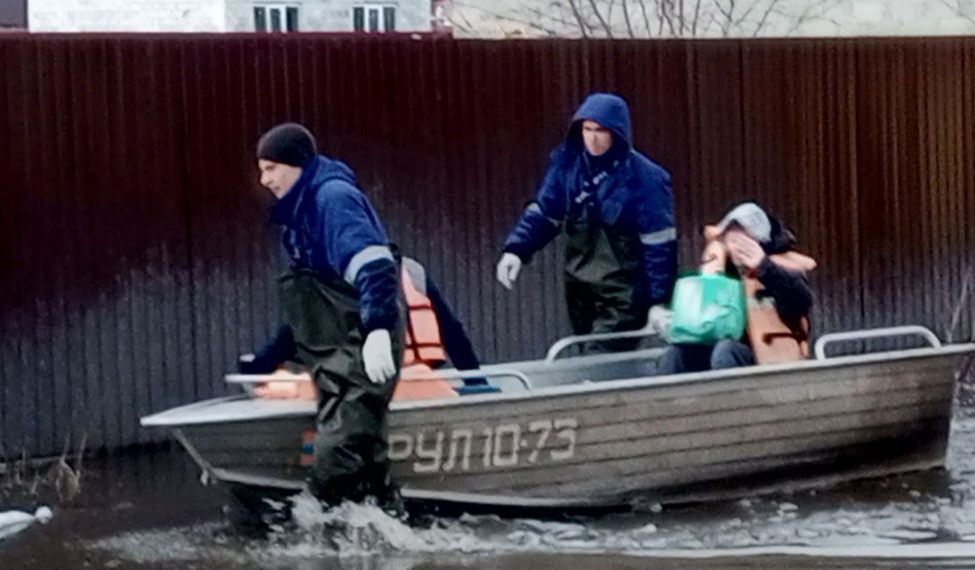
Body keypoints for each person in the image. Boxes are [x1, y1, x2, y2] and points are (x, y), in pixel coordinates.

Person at [251, 122, 402, 508]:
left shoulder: (332, 199)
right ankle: (386, 530)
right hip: (332, 358)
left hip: (358, 344)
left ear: (295, 164)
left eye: (271, 168)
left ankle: (318, 537)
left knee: (340, 450)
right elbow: (309, 310)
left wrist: (379, 330)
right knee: (364, 458)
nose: (263, 179)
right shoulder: (297, 218)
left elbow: (374, 266)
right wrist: (266, 361)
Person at [495, 93, 677, 354]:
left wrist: (659, 301)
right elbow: (545, 211)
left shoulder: (645, 177)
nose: (592, 138)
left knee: (598, 358)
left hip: (625, 294)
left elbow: (660, 244)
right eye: (587, 129)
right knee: (587, 358)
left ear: (617, 133)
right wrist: (516, 250)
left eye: (601, 131)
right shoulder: (567, 166)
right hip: (580, 288)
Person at [240, 255, 496, 399]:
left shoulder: (331, 278)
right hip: (425, 386)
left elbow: (291, 336)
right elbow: (452, 332)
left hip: (370, 396)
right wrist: (476, 380)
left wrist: (256, 368)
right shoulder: (410, 271)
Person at [656, 202, 816, 374]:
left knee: (726, 351)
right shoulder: (719, 269)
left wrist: (764, 267)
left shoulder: (783, 267)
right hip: (715, 351)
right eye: (732, 239)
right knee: (673, 356)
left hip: (766, 359)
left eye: (745, 240)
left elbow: (802, 301)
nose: (738, 246)